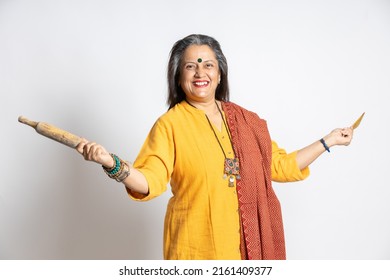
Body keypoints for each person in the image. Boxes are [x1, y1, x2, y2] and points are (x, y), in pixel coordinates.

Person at [76, 34, 353, 260]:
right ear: (178, 76)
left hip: (245, 254)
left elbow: (281, 166)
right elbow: (150, 180)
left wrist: (329, 140)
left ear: (220, 74)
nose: (200, 72)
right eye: (190, 66)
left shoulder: (247, 122)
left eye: (208, 64)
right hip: (194, 253)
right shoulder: (170, 125)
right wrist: (112, 164)